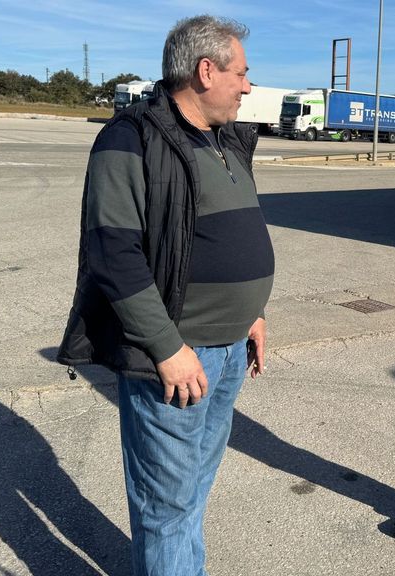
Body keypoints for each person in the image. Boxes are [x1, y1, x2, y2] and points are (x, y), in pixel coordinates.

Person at [56, 15, 273, 576]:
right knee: (167, 506)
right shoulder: (131, 138)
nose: (248, 86)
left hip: (227, 351)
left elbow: (228, 235)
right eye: (242, 73)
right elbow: (112, 252)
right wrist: (166, 347)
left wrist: (252, 313)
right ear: (206, 71)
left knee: (192, 489)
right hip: (178, 355)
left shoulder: (224, 138)